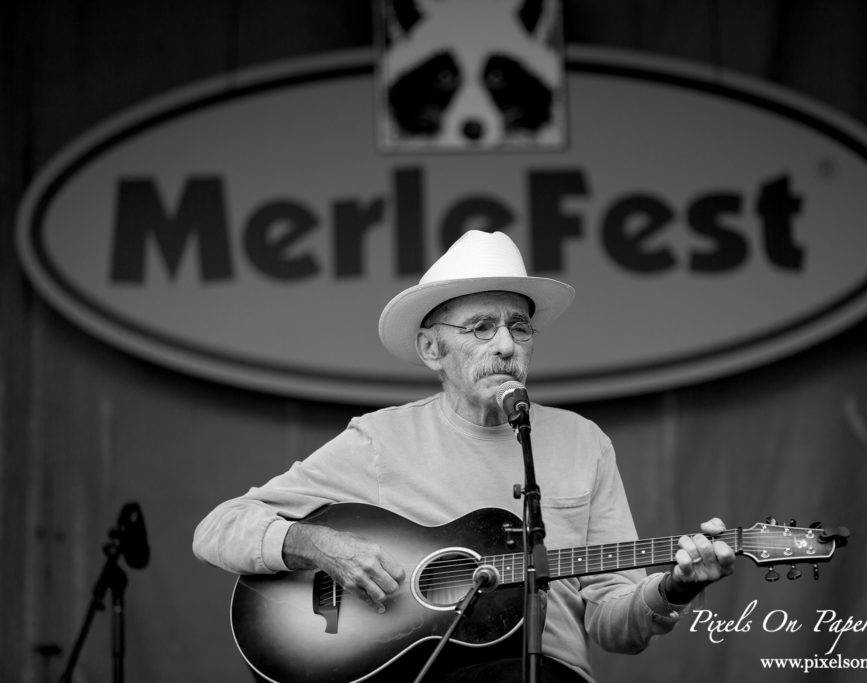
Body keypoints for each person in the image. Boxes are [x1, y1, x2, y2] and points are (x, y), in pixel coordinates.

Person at [193, 230, 734, 683]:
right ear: (433, 350)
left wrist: (673, 587)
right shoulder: (381, 440)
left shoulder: (582, 442)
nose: (505, 345)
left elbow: (615, 625)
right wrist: (317, 543)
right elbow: (219, 527)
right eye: (481, 327)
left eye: (519, 327)